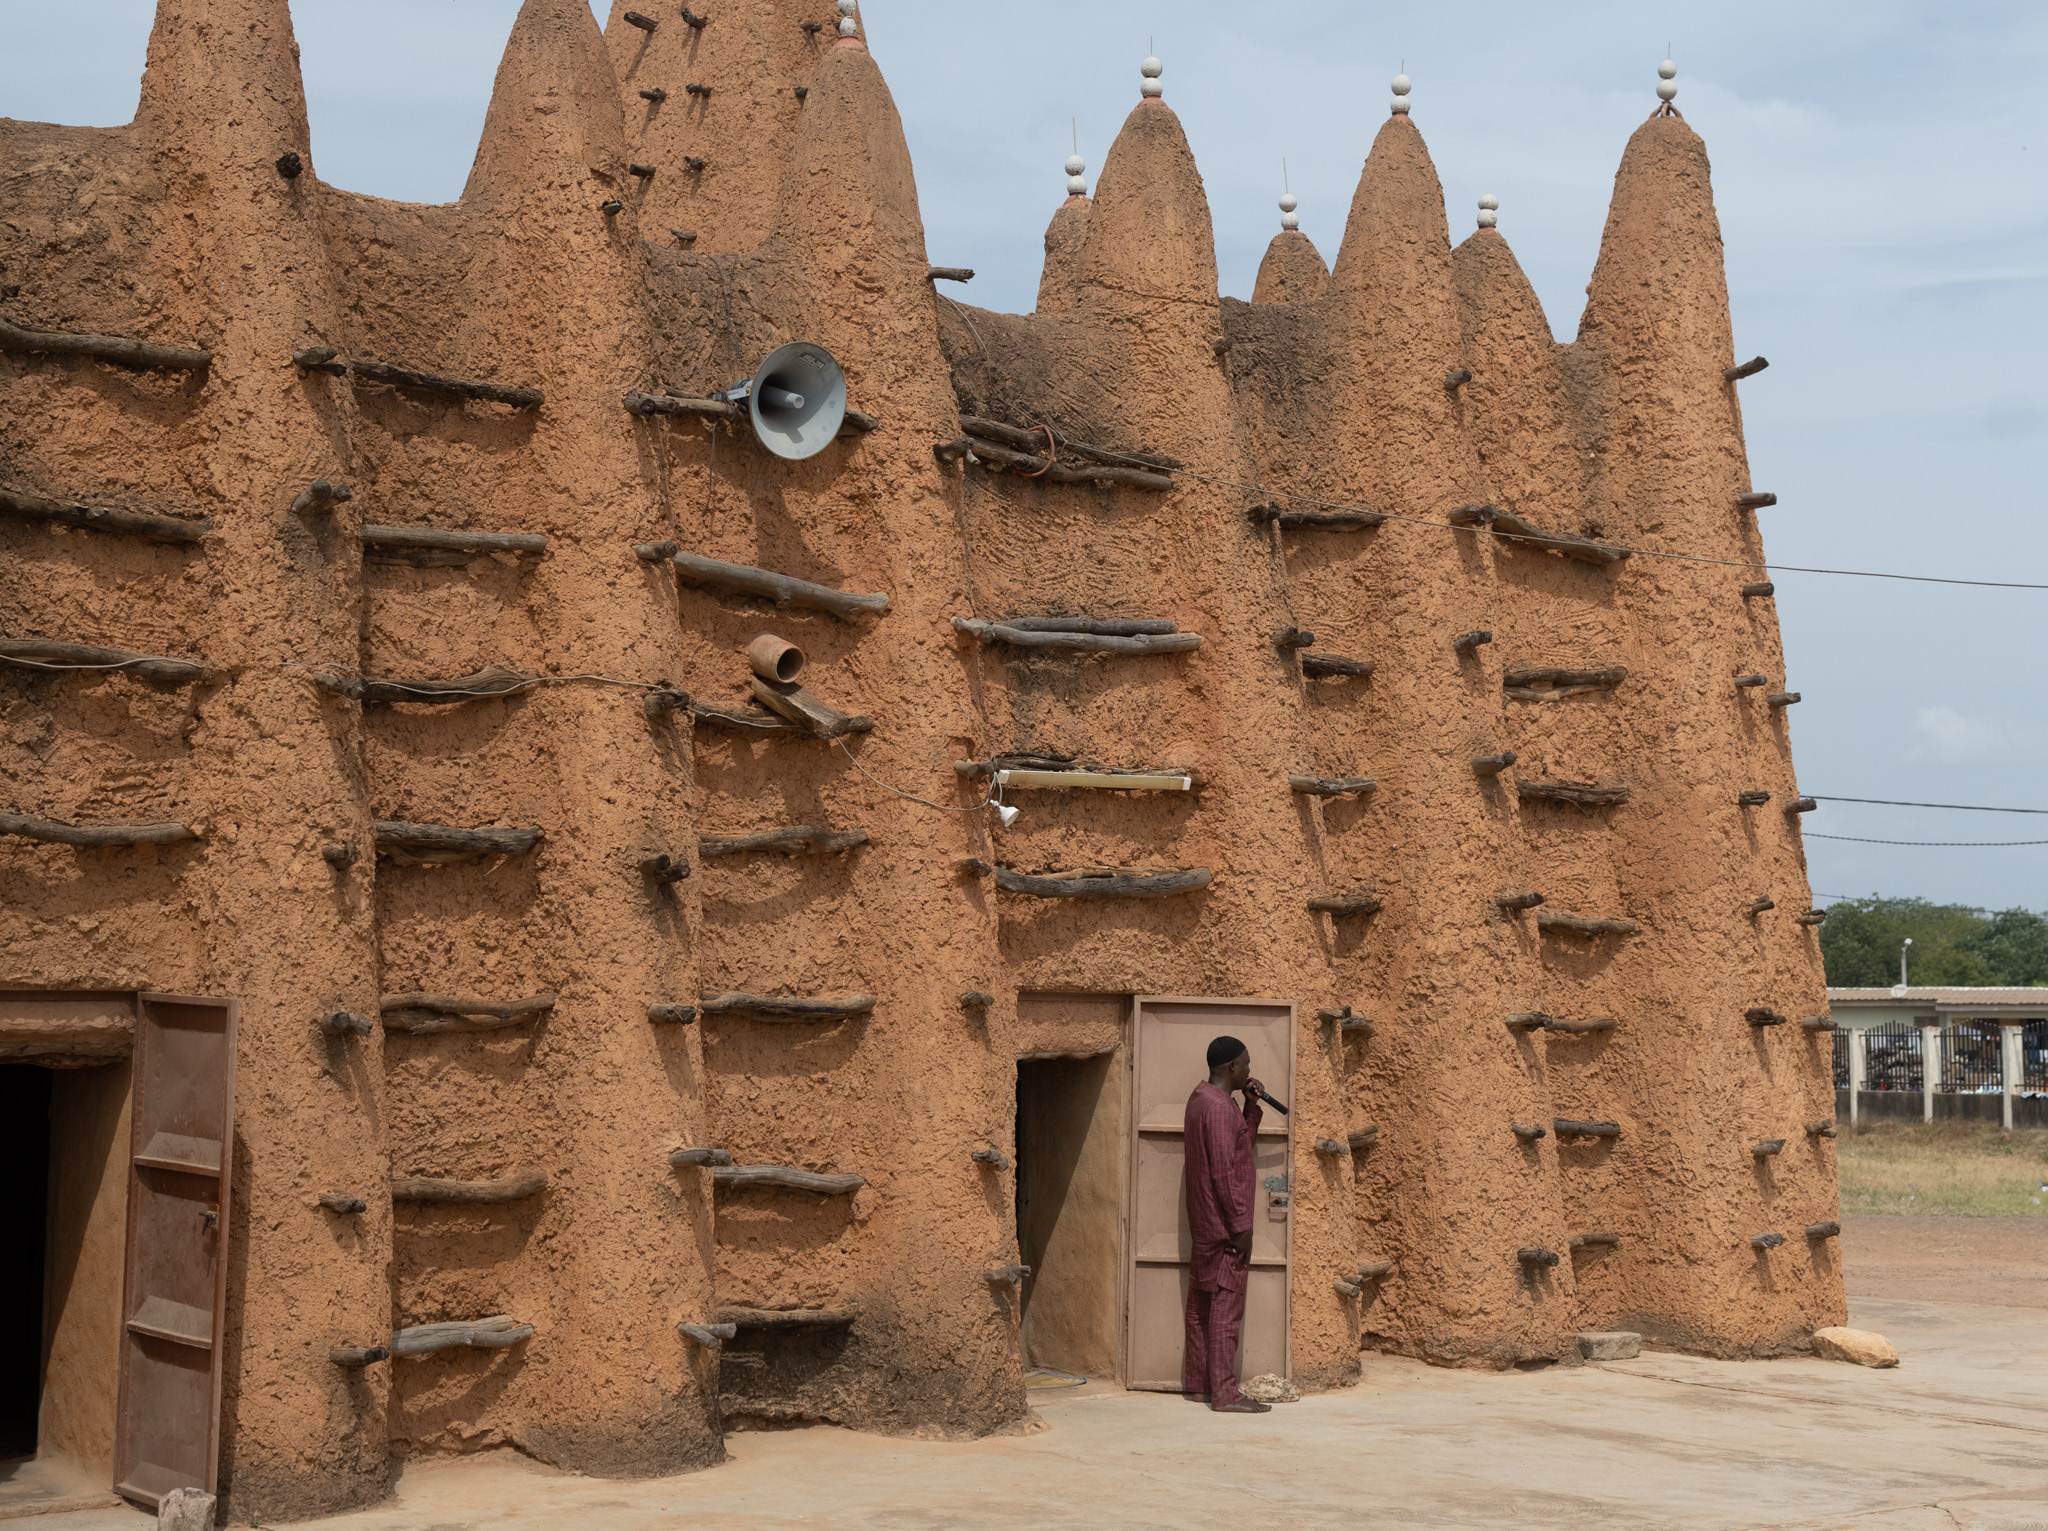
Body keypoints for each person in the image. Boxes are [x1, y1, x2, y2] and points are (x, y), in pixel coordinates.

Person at [1181, 1035, 1270, 1413]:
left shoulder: (1206, 1100)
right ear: (1230, 1068)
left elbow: (1238, 1147)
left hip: (1207, 1223)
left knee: (1202, 1303)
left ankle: (1200, 1384)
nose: (1250, 1071)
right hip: (1222, 1227)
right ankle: (1225, 1393)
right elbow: (1222, 1173)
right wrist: (1241, 1226)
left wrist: (1251, 1108)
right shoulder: (1217, 1109)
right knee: (1225, 1308)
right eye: (1245, 1065)